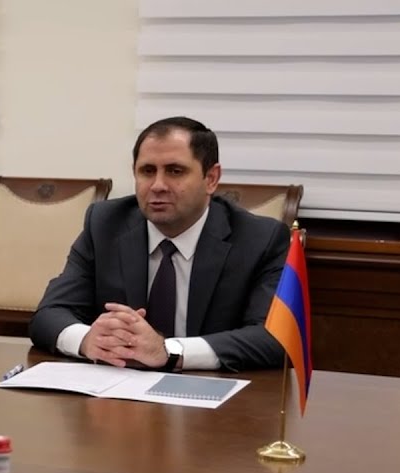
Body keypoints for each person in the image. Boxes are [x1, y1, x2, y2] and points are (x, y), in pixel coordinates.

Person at [29, 116, 288, 372]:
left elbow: (273, 338)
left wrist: (169, 352)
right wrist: (88, 340)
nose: (158, 186)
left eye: (175, 171)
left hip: (210, 390)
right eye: (147, 171)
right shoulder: (105, 224)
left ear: (211, 178)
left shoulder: (260, 239)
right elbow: (49, 314)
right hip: (117, 389)